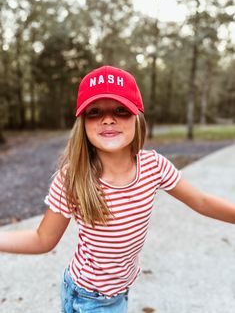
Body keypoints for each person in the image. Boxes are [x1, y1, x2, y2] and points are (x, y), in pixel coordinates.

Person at [1, 65, 235, 313]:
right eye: (95, 111)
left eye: (121, 110)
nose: (108, 118)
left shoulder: (153, 166)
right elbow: (42, 239)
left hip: (119, 291)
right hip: (87, 298)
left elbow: (201, 201)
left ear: (137, 116)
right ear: (83, 123)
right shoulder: (73, 178)